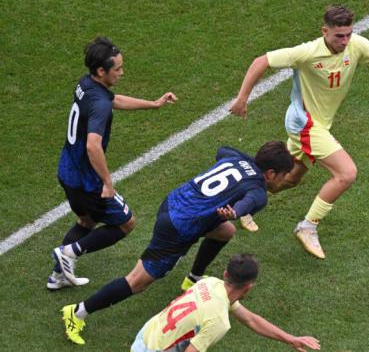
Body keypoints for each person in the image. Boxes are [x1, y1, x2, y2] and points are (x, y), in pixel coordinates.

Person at [60, 141, 293, 345]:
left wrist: (234, 201)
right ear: (271, 173)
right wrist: (234, 211)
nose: (285, 182)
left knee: (225, 232)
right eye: (284, 176)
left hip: (173, 202)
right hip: (179, 227)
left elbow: (221, 151)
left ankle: (192, 279)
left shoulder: (235, 157)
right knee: (137, 282)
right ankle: (78, 312)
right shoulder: (259, 193)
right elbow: (247, 203)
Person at [229, 5, 369, 259]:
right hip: (304, 122)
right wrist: (242, 99)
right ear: (325, 31)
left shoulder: (356, 44)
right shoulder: (308, 52)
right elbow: (262, 61)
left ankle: (242, 203)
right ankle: (308, 226)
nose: (345, 41)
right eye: (339, 36)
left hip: (320, 124)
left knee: (288, 180)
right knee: (346, 174)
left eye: (348, 34)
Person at [49, 36, 177, 290]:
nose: (122, 72)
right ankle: (69, 253)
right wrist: (107, 182)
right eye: (117, 68)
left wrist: (153, 104)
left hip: (67, 170)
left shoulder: (86, 84)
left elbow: (113, 100)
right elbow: (93, 145)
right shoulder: (99, 104)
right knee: (126, 223)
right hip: (88, 179)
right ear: (101, 70)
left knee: (86, 221)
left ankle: (58, 275)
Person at [130, 253, 321, 352]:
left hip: (146, 335)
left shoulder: (209, 283)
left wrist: (290, 339)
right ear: (249, 286)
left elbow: (250, 320)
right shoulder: (218, 321)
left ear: (225, 274)